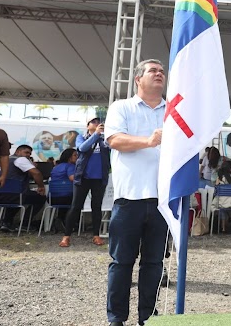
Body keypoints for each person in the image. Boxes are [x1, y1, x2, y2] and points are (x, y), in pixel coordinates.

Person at [104, 59, 168, 326]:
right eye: (153, 71)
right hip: (129, 198)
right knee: (122, 262)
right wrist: (149, 141)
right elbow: (115, 140)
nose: (159, 74)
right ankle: (116, 318)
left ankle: (148, 317)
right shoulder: (122, 107)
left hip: (163, 199)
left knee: (154, 264)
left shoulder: (174, 111)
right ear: (137, 79)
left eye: (162, 71)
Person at [59, 117, 111, 248]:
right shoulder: (81, 137)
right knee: (76, 206)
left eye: (99, 122)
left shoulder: (105, 139)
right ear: (88, 126)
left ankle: (96, 235)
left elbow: (112, 148)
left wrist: (102, 136)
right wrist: (96, 135)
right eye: (94, 122)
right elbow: (82, 148)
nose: (98, 124)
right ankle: (66, 236)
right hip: (83, 177)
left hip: (99, 178)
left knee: (97, 206)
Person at [0, 144, 46, 232]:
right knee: (40, 198)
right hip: (14, 196)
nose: (28, 155)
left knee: (17, 195)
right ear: (17, 152)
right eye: (26, 152)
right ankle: (25, 224)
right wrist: (41, 186)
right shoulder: (20, 159)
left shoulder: (5, 161)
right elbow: (36, 173)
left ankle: (6, 223)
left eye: (30, 154)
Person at [211, 159, 231, 232]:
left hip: (221, 203)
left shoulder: (220, 178)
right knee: (230, 200)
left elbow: (216, 191)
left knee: (221, 202)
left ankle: (222, 227)